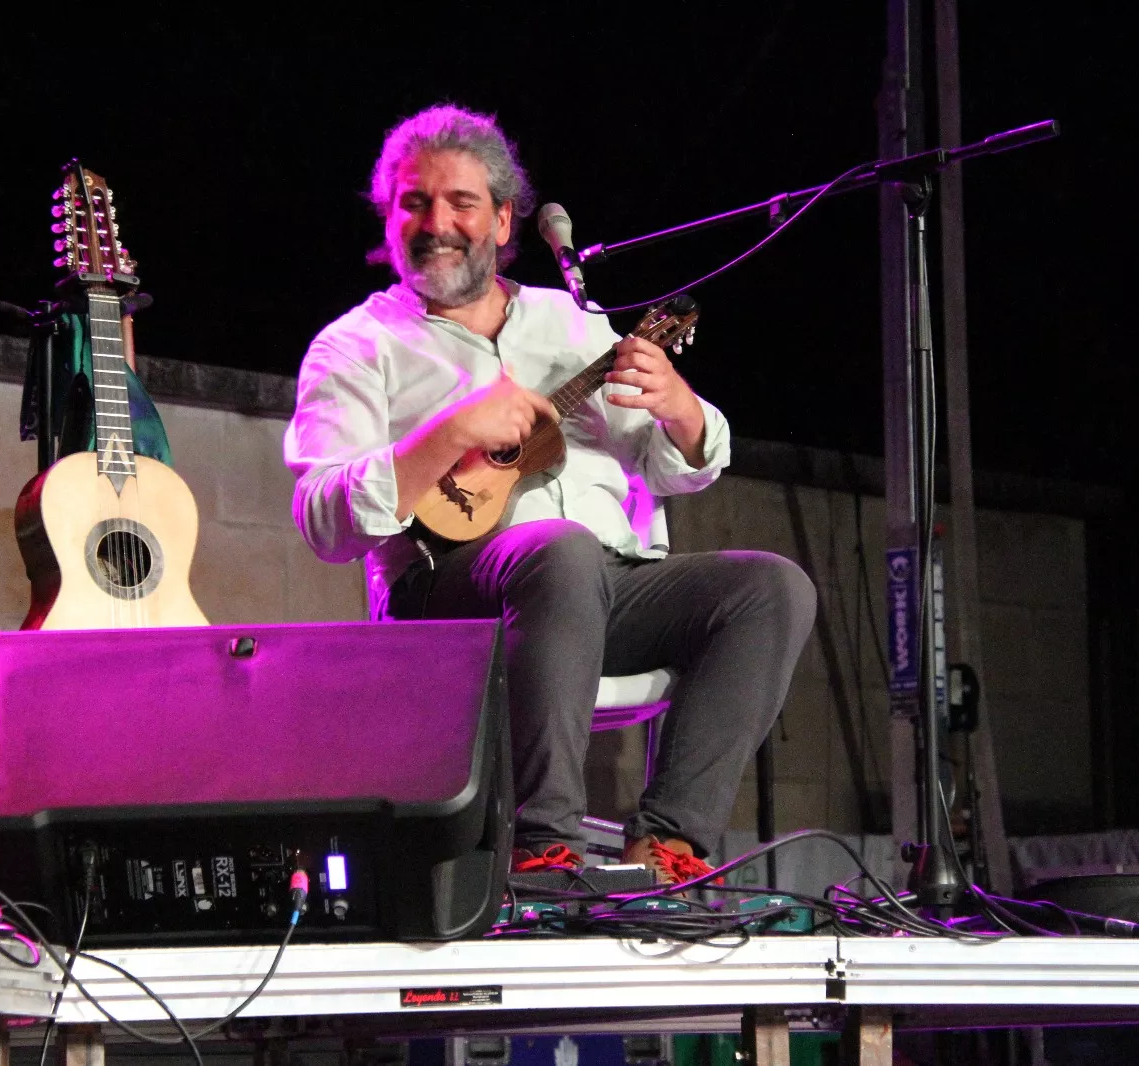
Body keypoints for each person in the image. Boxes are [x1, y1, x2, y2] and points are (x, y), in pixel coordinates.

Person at [284, 104, 816, 883]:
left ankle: (668, 845)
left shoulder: (573, 322)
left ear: (503, 220)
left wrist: (680, 408)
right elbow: (324, 521)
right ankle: (545, 846)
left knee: (771, 588)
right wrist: (449, 433)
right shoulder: (356, 346)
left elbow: (676, 467)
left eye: (461, 203)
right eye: (414, 202)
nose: (437, 222)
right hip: (450, 597)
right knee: (558, 552)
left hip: (603, 586)